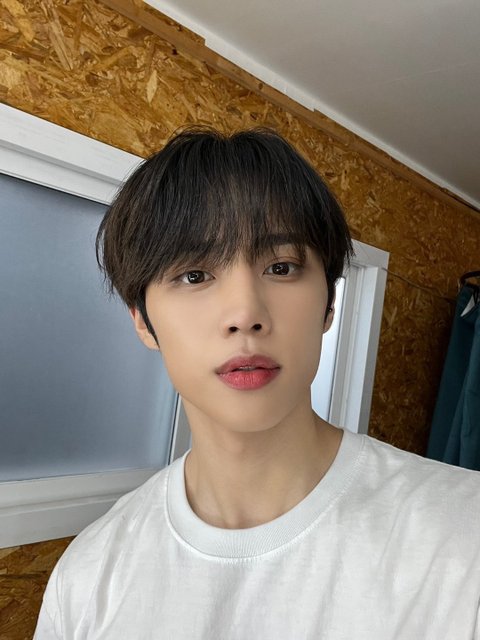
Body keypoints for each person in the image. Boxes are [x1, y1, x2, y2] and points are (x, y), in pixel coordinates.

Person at [34, 126, 480, 639]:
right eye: (195, 275)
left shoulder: (463, 534)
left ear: (329, 304)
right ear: (142, 321)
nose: (245, 313)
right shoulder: (88, 576)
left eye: (281, 267)